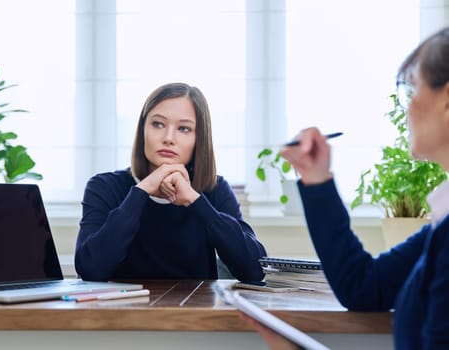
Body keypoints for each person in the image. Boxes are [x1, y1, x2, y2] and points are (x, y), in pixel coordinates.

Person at [245, 26, 449, 349]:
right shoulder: (442, 224)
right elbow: (365, 287)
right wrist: (316, 178)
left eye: (413, 89)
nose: (407, 107)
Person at [75, 82, 266, 282]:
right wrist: (142, 191)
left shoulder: (215, 189)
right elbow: (90, 269)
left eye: (184, 128)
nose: (168, 138)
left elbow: (254, 269)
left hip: (194, 311)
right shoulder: (104, 186)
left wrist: (196, 201)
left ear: (198, 139)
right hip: (124, 311)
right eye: (158, 124)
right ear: (143, 131)